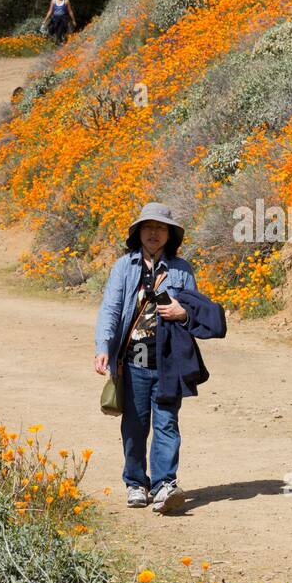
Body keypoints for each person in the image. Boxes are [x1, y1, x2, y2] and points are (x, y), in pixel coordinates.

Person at [94, 202, 226, 514]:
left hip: (169, 359)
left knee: (167, 423)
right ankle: (136, 482)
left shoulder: (182, 270)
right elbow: (111, 310)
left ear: (170, 235)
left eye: (161, 228)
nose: (154, 233)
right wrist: (103, 346)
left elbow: (194, 309)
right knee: (136, 424)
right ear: (138, 232)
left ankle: (165, 484)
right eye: (149, 227)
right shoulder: (124, 267)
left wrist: (182, 314)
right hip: (135, 357)